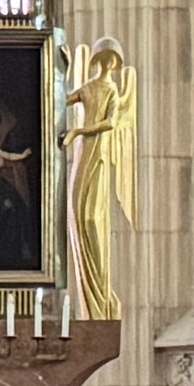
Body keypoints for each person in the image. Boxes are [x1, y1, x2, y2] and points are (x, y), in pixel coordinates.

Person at [64, 37, 136, 325]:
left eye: (112, 59)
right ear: (96, 60)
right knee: (77, 214)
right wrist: (64, 67)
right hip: (84, 154)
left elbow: (111, 122)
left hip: (100, 154)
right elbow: (60, 97)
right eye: (103, 57)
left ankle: (102, 298)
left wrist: (79, 131)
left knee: (94, 219)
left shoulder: (112, 90)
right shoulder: (88, 87)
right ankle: (89, 298)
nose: (107, 63)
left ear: (115, 63)